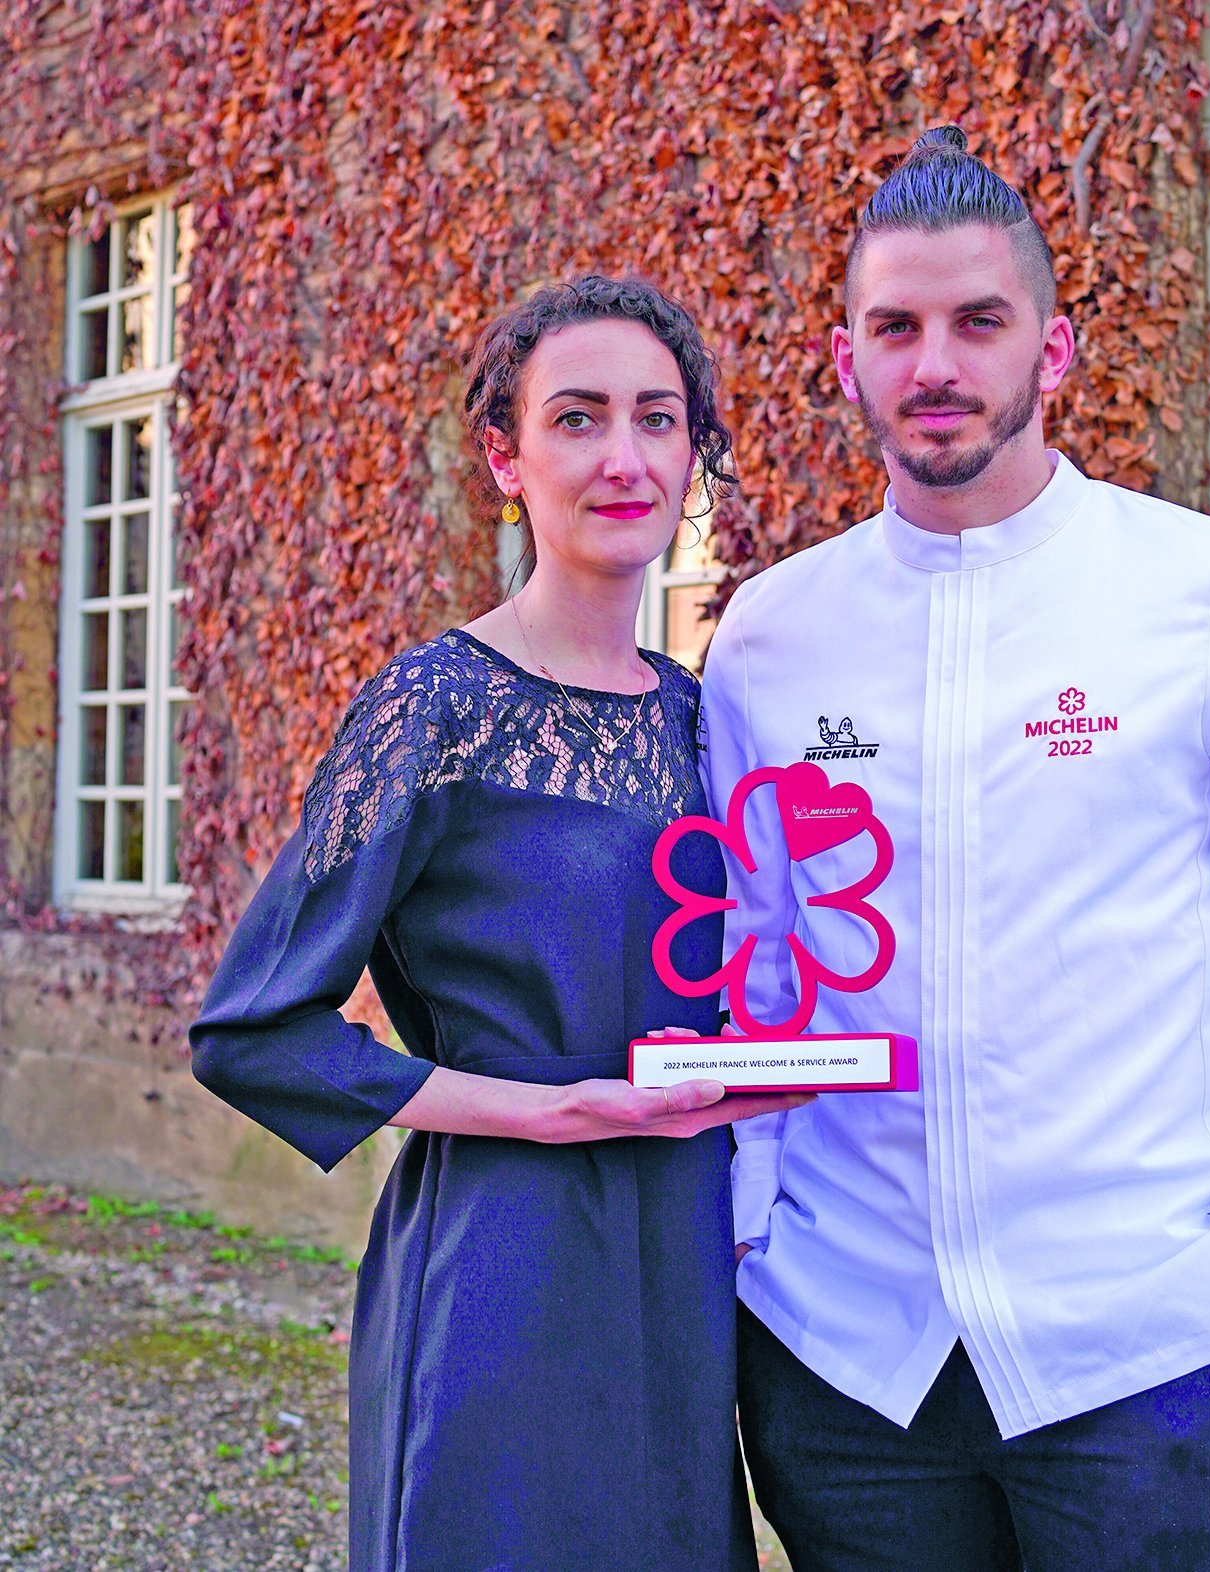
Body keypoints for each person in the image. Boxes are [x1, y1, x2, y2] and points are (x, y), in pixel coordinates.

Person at [699, 128, 1210, 1571]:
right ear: (848, 362)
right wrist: (745, 1235)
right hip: (849, 1360)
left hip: (1146, 1360)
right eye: (894, 328)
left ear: (1056, 349)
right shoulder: (773, 634)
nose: (936, 363)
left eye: (979, 321)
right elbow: (751, 968)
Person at [190, 275, 808, 1571]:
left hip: (684, 1274)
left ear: (692, 453)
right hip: (504, 1257)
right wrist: (538, 1107)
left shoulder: (707, 717)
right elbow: (252, 1028)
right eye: (576, 418)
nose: (622, 456)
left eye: (657, 418)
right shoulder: (432, 711)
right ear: (505, 457)